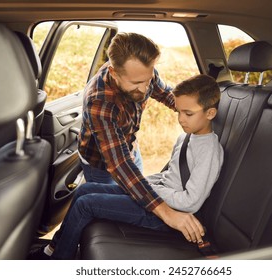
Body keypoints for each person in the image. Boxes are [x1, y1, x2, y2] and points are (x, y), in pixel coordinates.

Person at [28, 74, 224, 259]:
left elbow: (190, 202)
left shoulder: (209, 150)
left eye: (188, 113)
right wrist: (141, 186)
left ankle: (60, 260)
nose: (181, 119)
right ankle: (52, 249)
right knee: (85, 189)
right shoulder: (185, 137)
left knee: (85, 205)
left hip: (170, 216)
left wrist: (147, 191)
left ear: (210, 113)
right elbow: (168, 176)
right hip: (159, 199)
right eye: (179, 111)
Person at [75, 32, 208, 243]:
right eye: (137, 83)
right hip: (100, 162)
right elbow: (120, 165)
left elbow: (168, 95)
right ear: (114, 73)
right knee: (103, 211)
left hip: (129, 148)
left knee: (135, 196)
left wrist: (197, 113)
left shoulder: (144, 74)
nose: (146, 88)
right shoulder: (100, 101)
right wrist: (168, 214)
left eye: (148, 79)